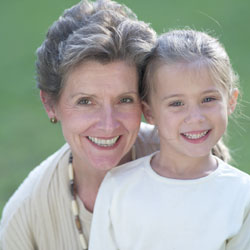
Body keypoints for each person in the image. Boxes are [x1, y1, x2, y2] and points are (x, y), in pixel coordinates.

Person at [0, 1, 229, 248]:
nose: (108, 125)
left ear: (145, 103)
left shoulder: (189, 154)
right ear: (50, 104)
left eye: (124, 99)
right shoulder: (28, 215)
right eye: (85, 101)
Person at [88, 29, 250, 250]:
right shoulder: (119, 186)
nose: (195, 118)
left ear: (231, 101)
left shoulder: (242, 194)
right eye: (176, 103)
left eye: (208, 99)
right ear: (149, 112)